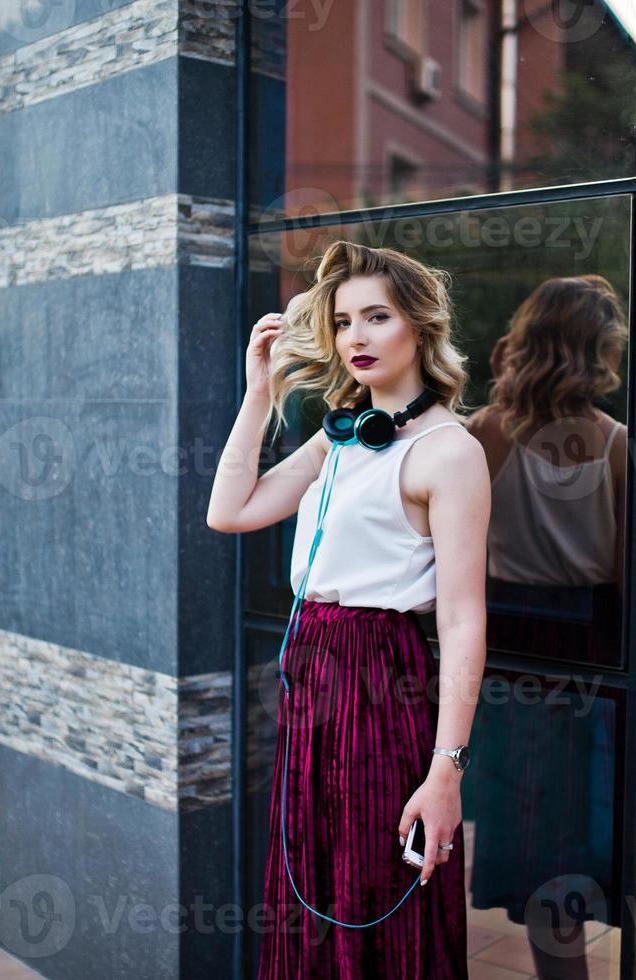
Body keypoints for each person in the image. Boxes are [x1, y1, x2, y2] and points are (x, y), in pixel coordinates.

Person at [207, 240, 491, 979]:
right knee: (311, 881)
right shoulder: (340, 438)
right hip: (313, 680)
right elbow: (228, 511)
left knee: (377, 885)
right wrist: (258, 394)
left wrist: (446, 771)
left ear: (419, 328)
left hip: (381, 675)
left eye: (375, 317)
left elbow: (462, 620)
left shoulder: (448, 452)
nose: (355, 337)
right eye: (341, 322)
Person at [463, 274, 636, 979]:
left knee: (537, 830)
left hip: (512, 643)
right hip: (593, 643)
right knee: (599, 827)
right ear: (594, 352)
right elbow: (629, 580)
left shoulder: (482, 433)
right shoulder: (617, 442)